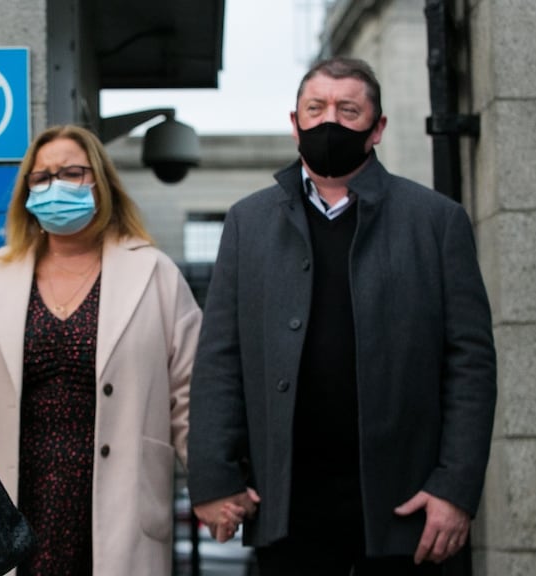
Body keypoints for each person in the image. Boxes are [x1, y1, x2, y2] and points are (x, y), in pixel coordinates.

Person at [187, 56, 497, 575]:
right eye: (316, 108)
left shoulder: (437, 221)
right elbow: (221, 359)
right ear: (295, 124)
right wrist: (214, 478)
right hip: (286, 505)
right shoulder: (249, 222)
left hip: (407, 509)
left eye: (348, 110)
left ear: (376, 129)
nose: (329, 121)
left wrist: (455, 489)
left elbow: (470, 364)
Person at [0, 124, 202, 576]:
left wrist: (213, 488)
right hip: (16, 497)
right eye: (42, 177)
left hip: (120, 500)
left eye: (71, 172)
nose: (56, 186)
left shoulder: (155, 273)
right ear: (26, 190)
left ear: (100, 181)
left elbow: (191, 394)